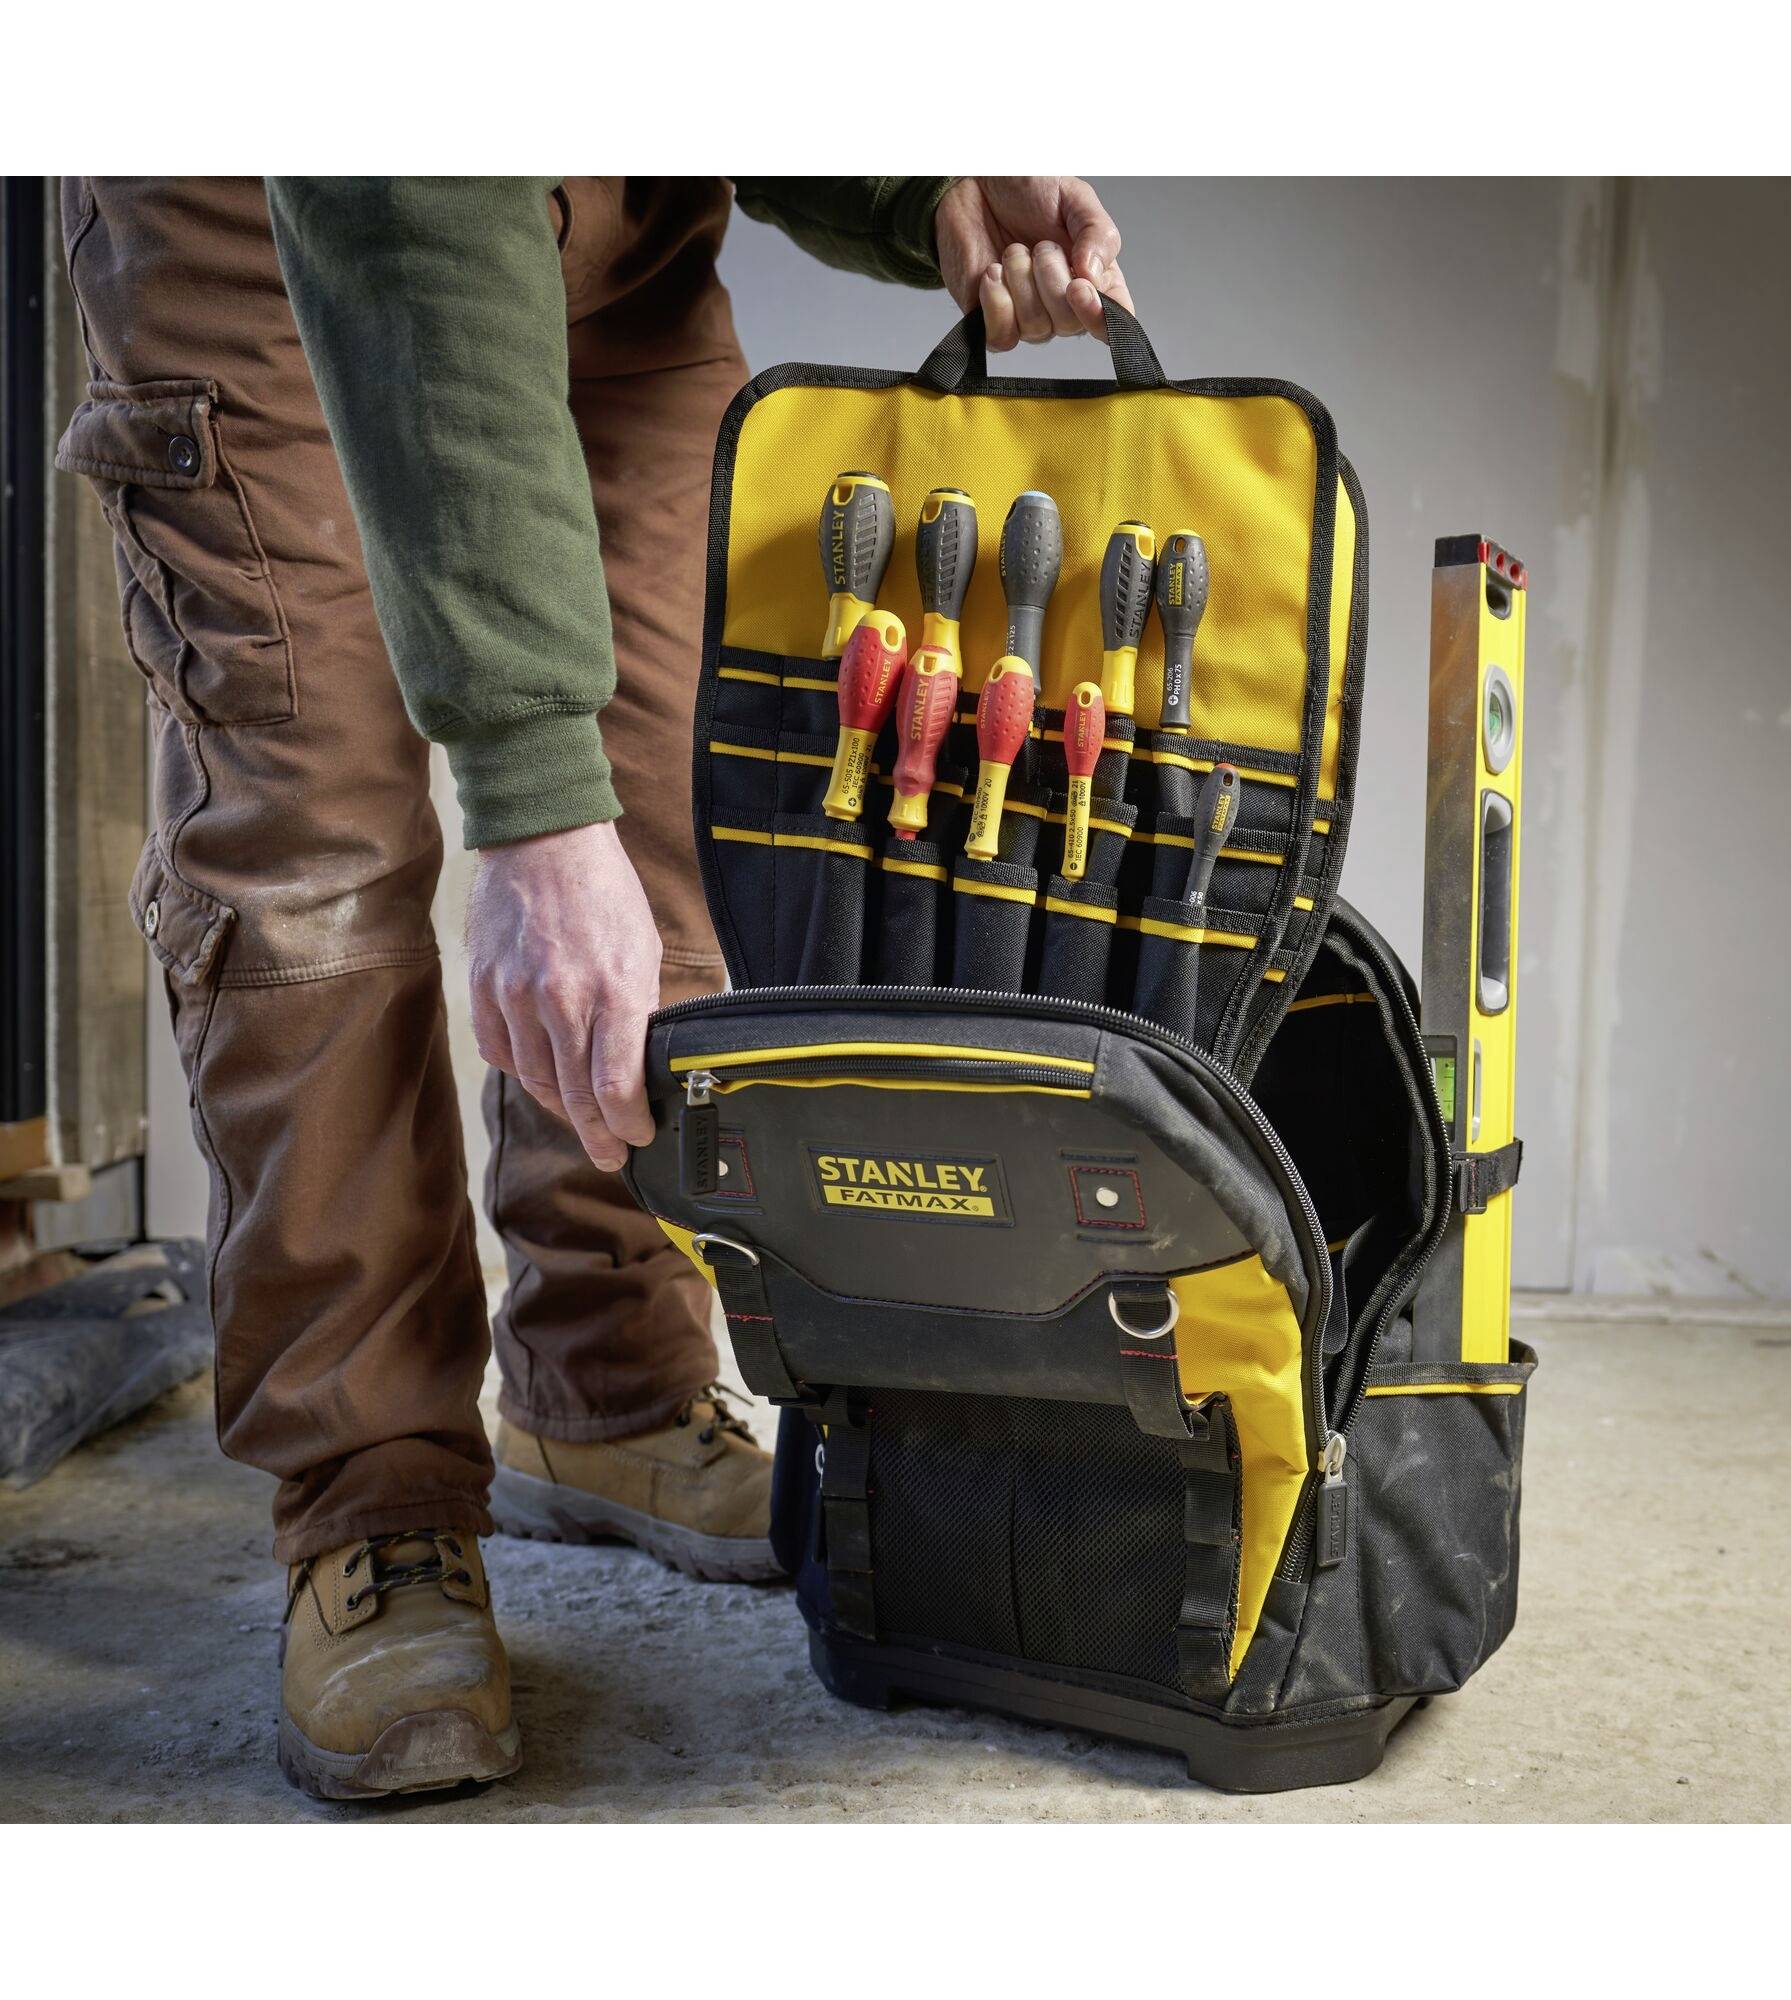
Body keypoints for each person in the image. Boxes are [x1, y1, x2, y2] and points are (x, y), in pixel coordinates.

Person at [56, 174, 1133, 1800]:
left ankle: (606, 1382)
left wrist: (924, 181)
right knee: (317, 846)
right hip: (295, 200)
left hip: (615, 226)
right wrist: (533, 796)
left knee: (685, 779)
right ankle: (373, 1494)